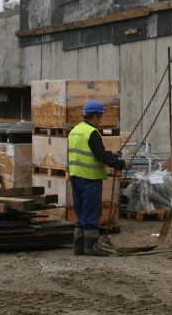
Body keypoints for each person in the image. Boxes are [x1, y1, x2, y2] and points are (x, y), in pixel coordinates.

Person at [68, 100, 126, 256]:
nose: (100, 121)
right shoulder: (92, 132)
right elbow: (100, 156)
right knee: (92, 211)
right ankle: (91, 247)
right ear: (94, 116)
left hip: (75, 176)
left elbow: (89, 151)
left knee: (81, 212)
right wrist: (121, 164)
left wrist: (110, 154)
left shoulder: (75, 130)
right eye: (100, 117)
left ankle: (79, 247)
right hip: (90, 178)